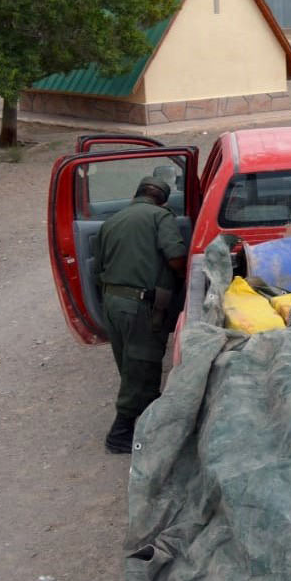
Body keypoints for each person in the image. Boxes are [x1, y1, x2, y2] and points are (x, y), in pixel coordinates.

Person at [93, 175, 186, 454]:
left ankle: (148, 415)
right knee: (141, 364)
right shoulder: (160, 217)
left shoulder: (111, 222)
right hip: (139, 305)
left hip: (112, 302)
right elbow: (175, 256)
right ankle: (120, 434)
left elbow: (98, 266)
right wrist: (182, 280)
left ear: (136, 194)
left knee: (129, 362)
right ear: (163, 200)